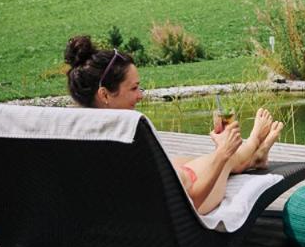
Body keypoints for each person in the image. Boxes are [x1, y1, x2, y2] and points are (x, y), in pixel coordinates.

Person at [64, 35, 284, 215]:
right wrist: (223, 153)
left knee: (182, 163)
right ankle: (253, 145)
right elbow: (191, 206)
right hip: (173, 215)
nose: (140, 95)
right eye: (134, 88)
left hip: (114, 225)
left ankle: (255, 155)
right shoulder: (130, 140)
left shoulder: (72, 137)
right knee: (224, 162)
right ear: (104, 94)